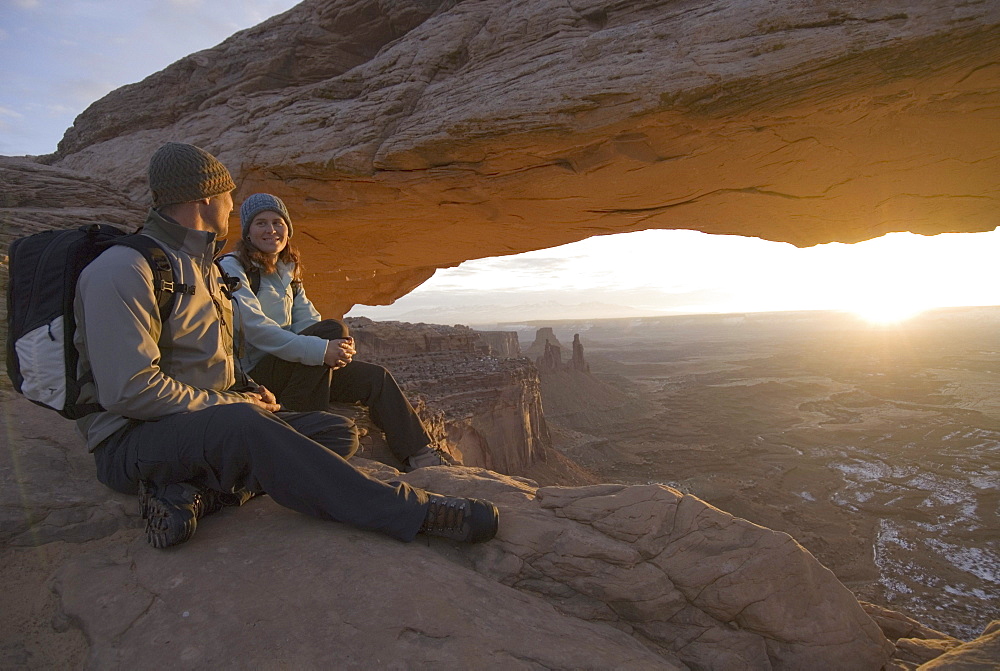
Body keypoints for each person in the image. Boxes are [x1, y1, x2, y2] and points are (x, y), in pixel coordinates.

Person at [74, 142, 498, 549]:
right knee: (249, 426)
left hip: (202, 426)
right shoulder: (125, 269)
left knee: (334, 431)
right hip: (134, 441)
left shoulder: (201, 269)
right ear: (205, 199)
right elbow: (128, 390)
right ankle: (413, 513)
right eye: (228, 197)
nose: (230, 208)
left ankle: (200, 497)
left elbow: (219, 356)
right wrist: (232, 407)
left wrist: (244, 391)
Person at [218, 193, 448, 471]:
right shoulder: (233, 267)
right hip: (256, 374)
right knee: (332, 330)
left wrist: (339, 347)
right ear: (247, 231)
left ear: (288, 229)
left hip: (293, 366)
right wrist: (322, 349)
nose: (271, 230)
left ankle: (419, 456)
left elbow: (307, 319)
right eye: (261, 223)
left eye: (278, 222)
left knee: (376, 378)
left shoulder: (286, 269)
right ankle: (301, 424)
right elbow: (255, 329)